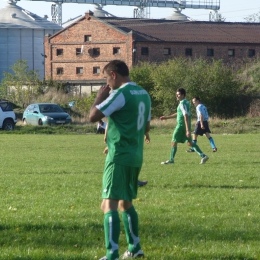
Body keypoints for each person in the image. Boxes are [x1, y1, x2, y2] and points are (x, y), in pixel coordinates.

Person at [89, 60, 151, 260]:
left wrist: (99, 97)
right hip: (135, 155)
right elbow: (145, 126)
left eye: (107, 78)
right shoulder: (144, 94)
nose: (107, 84)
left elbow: (93, 116)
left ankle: (112, 254)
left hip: (119, 157)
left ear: (114, 75)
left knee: (108, 205)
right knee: (126, 203)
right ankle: (134, 247)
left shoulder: (119, 94)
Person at [160, 88, 209, 165]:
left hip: (181, 126)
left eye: (178, 94)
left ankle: (171, 160)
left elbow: (185, 115)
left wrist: (187, 130)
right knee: (189, 143)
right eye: (176, 94)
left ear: (183, 95)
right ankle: (203, 156)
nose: (177, 95)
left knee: (173, 141)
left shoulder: (182, 103)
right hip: (186, 126)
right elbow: (179, 113)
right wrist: (166, 117)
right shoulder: (186, 102)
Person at [103, 124, 148, 188]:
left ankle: (131, 180)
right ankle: (131, 181)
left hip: (124, 135)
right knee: (127, 156)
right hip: (123, 135)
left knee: (127, 156)